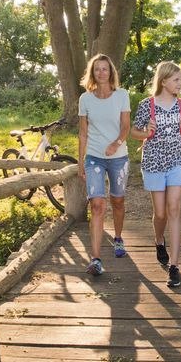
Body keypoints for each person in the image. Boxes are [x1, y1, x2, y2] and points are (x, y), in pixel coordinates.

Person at [130, 61, 181, 288]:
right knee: (160, 213)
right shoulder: (147, 105)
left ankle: (174, 266)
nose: (180, 83)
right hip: (154, 161)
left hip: (177, 160)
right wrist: (146, 132)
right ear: (164, 81)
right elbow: (134, 132)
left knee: (174, 208)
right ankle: (159, 240)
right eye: (176, 79)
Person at [78, 53, 131, 276]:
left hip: (118, 157)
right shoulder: (85, 99)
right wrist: (81, 162)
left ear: (111, 73)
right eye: (97, 69)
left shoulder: (122, 95)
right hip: (93, 157)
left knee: (117, 201)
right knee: (97, 205)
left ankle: (118, 238)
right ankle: (96, 259)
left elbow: (126, 126)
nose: (101, 72)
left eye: (105, 69)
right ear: (92, 73)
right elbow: (82, 134)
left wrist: (116, 143)